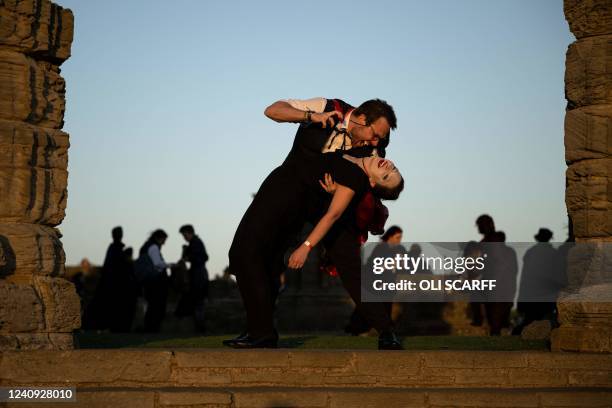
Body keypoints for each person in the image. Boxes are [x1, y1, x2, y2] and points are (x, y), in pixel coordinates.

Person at [227, 97, 403, 349]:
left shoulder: (375, 150)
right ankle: (260, 330)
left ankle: (387, 331)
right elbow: (272, 110)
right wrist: (310, 117)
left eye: (381, 139)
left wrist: (336, 195)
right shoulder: (327, 107)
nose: (377, 142)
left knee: (350, 265)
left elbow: (369, 186)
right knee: (249, 253)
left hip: (329, 202)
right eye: (375, 134)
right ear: (362, 119)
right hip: (289, 186)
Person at [512, 228, 561, 335]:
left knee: (530, 321)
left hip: (532, 295)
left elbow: (525, 277)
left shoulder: (531, 252)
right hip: (547, 296)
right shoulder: (553, 253)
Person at [176, 224, 210, 332]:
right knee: (197, 303)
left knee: (198, 302)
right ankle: (199, 328)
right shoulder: (194, 243)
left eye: (184, 234)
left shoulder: (196, 243)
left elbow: (203, 257)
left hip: (198, 276)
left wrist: (188, 256)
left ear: (189, 232)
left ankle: (200, 328)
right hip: (198, 275)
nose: (184, 237)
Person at [139, 229, 171, 332]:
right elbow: (157, 263)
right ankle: (152, 327)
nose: (164, 243)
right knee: (156, 305)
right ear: (159, 238)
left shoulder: (146, 246)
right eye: (163, 240)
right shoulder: (153, 247)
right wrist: (170, 265)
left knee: (152, 305)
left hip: (148, 281)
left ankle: (149, 327)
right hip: (156, 282)